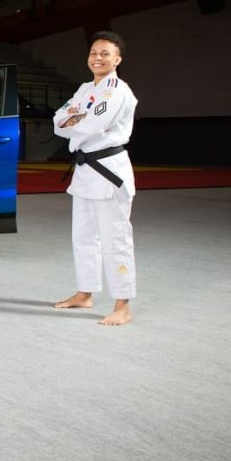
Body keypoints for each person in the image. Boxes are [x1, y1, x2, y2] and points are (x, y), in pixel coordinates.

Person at [52, 31, 138, 326]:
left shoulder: (118, 91)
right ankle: (85, 293)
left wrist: (77, 120)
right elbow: (58, 121)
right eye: (93, 53)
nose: (97, 58)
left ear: (118, 59)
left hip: (109, 172)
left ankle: (122, 305)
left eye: (104, 53)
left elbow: (94, 125)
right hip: (85, 172)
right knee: (84, 237)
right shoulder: (85, 88)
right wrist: (75, 120)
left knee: (116, 240)